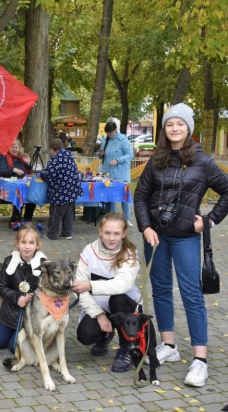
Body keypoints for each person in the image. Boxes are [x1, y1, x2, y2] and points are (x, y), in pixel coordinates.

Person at [134, 103, 228, 387]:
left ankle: (200, 360)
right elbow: (140, 196)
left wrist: (209, 221)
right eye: (170, 124)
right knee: (161, 290)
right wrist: (146, 227)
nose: (175, 128)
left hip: (187, 236)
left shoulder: (203, 161)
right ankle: (169, 345)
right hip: (156, 237)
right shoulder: (156, 160)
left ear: (189, 128)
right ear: (165, 129)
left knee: (191, 293)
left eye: (180, 124)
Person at [72, 212, 141, 372]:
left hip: (126, 307)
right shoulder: (89, 251)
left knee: (117, 298)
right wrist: (99, 314)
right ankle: (104, 335)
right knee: (85, 335)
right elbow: (78, 288)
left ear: (124, 234)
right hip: (99, 308)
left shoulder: (130, 253)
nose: (111, 238)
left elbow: (121, 285)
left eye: (116, 233)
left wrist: (90, 286)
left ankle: (128, 348)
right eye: (107, 233)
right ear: (100, 232)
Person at [0, 224, 47, 353]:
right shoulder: (9, 261)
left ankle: (23, 335)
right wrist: (17, 298)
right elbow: (2, 287)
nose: (27, 246)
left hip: (32, 316)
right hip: (11, 312)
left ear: (37, 245)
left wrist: (32, 297)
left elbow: (46, 291)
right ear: (17, 243)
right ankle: (15, 333)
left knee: (14, 347)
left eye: (31, 243)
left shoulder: (44, 265)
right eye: (23, 242)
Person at [40, 139, 83, 241]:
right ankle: (66, 233)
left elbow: (49, 174)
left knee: (56, 213)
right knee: (68, 213)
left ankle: (52, 234)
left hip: (60, 192)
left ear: (52, 149)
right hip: (72, 190)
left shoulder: (56, 159)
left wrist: (42, 173)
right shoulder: (69, 156)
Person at [97, 122, 134, 227]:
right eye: (107, 133)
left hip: (121, 173)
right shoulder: (105, 140)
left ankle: (127, 219)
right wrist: (100, 154)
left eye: (111, 132)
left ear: (115, 130)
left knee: (124, 196)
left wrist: (118, 160)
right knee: (111, 197)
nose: (109, 134)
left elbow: (130, 155)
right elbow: (101, 156)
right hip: (108, 172)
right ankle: (111, 219)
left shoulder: (123, 140)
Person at [0, 139, 36, 228]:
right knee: (20, 194)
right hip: (6, 188)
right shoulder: (3, 157)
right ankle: (15, 219)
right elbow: (1, 171)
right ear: (8, 147)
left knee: (32, 194)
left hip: (21, 185)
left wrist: (28, 163)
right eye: (12, 147)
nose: (14, 149)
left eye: (16, 147)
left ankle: (27, 219)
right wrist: (13, 169)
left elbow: (28, 172)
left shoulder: (20, 158)